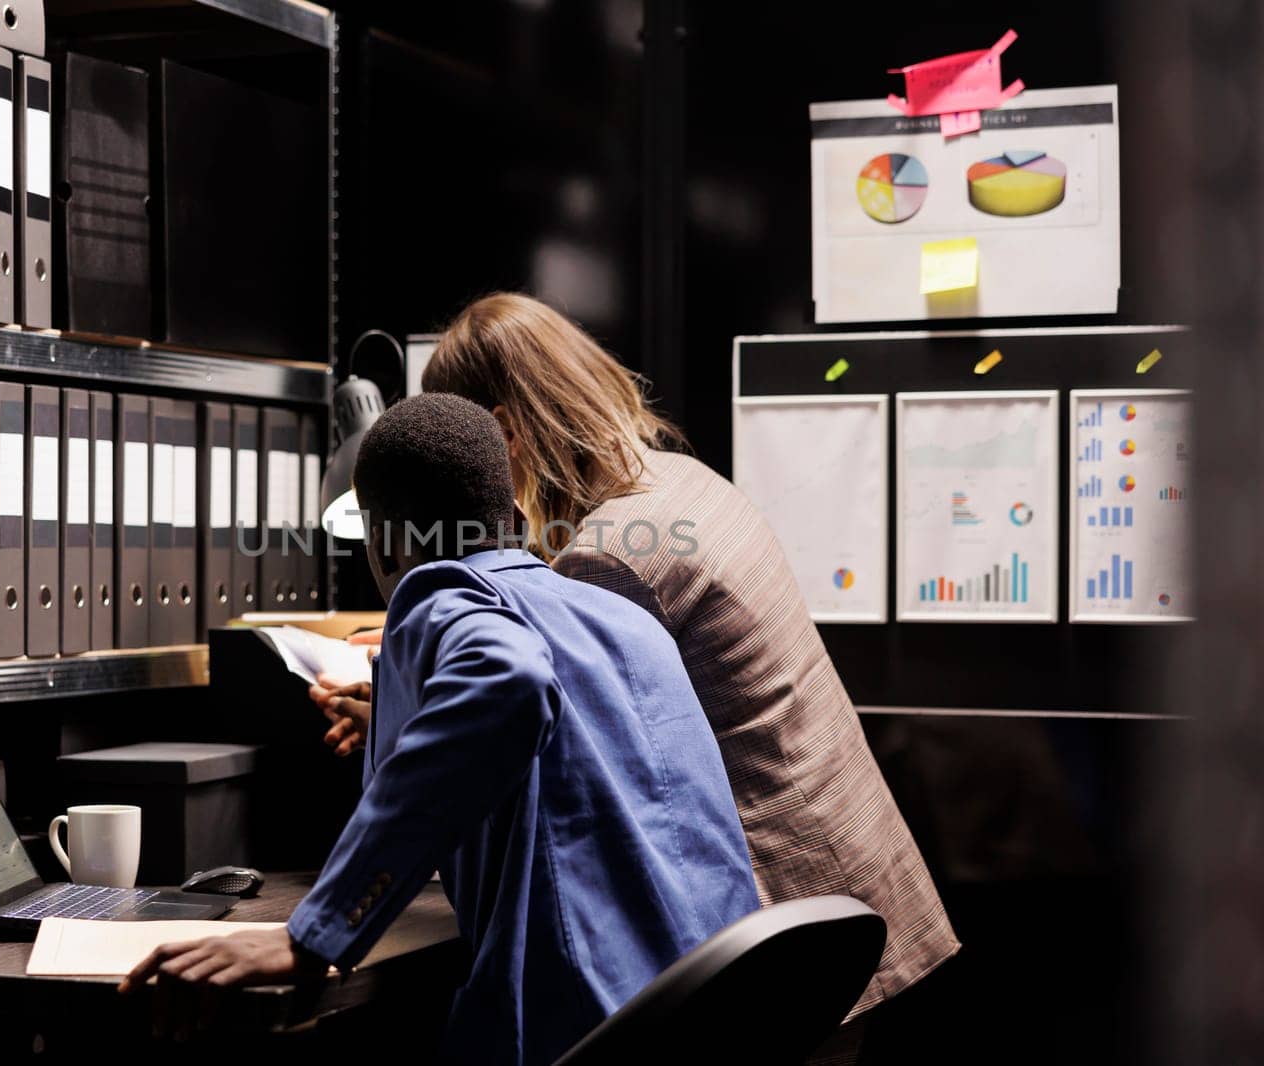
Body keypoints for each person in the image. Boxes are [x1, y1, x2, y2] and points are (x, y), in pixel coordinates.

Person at [310, 293, 959, 1056]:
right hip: (837, 899)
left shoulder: (608, 557)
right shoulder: (676, 485)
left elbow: (531, 720)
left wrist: (410, 714)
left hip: (769, 903)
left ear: (506, 433)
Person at [123, 393, 761, 1065]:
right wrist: (405, 726)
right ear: (515, 518)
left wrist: (312, 936)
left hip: (592, 1034)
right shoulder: (619, 616)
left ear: (388, 545)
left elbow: (509, 680)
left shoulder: (438, 596)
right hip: (722, 1015)